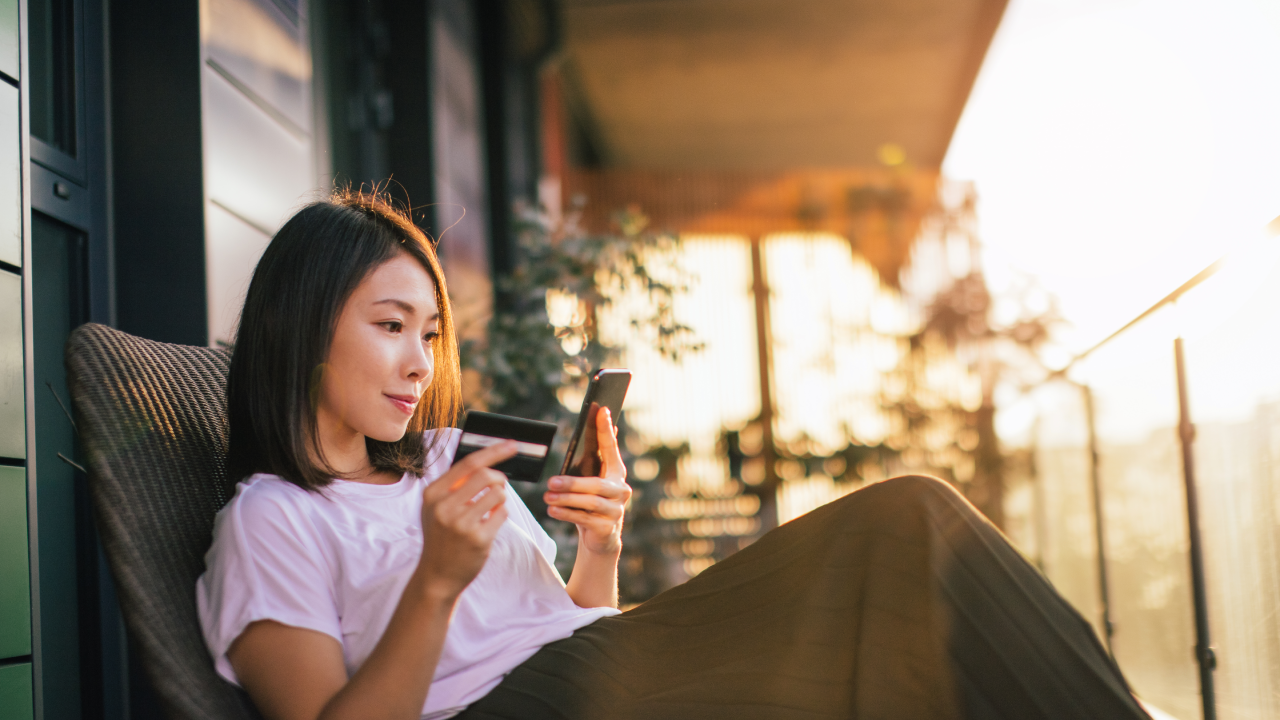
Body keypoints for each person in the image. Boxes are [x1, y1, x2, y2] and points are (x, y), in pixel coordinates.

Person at [197, 191, 1153, 720]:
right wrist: (435, 586)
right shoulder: (272, 518)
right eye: (393, 325)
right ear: (307, 326)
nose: (421, 362)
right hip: (527, 709)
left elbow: (562, 626)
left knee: (912, 557)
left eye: (434, 334)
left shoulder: (444, 454)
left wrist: (599, 549)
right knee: (905, 526)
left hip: (605, 666)